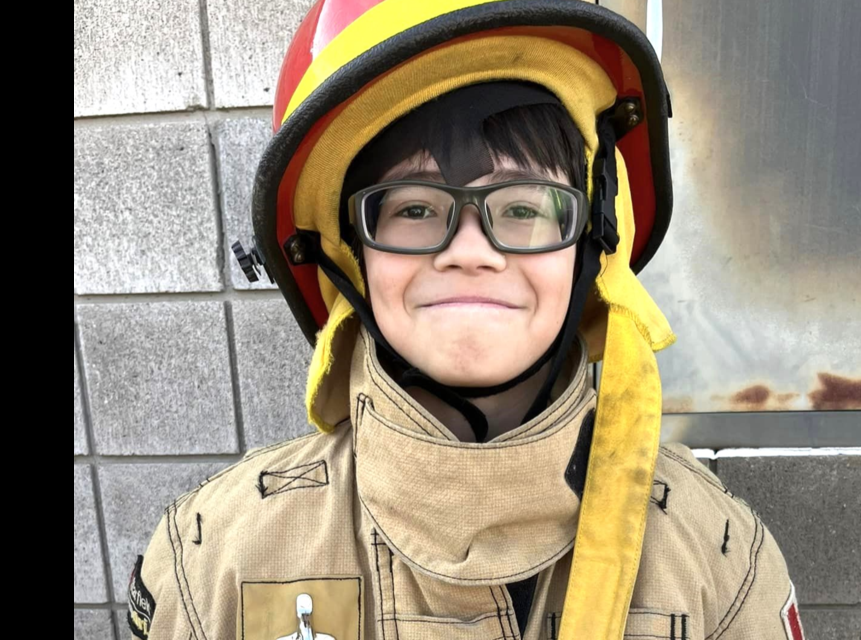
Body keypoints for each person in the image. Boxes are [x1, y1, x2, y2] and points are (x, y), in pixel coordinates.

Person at [128, 2, 805, 639]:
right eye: (415, 208)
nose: (470, 252)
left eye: (523, 207)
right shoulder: (215, 555)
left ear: (594, 241)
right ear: (349, 257)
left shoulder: (718, 563)